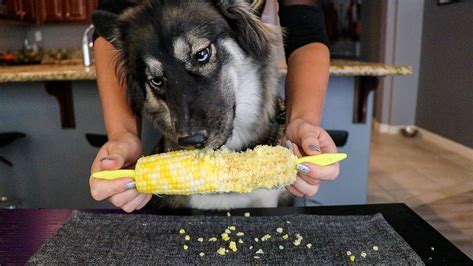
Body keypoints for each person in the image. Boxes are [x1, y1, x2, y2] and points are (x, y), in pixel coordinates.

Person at [90, 0, 339, 212]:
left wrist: (302, 121)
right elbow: (113, 30)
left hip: (268, 132)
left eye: (201, 56)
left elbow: (305, 28)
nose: (186, 131)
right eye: (156, 79)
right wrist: (123, 136)